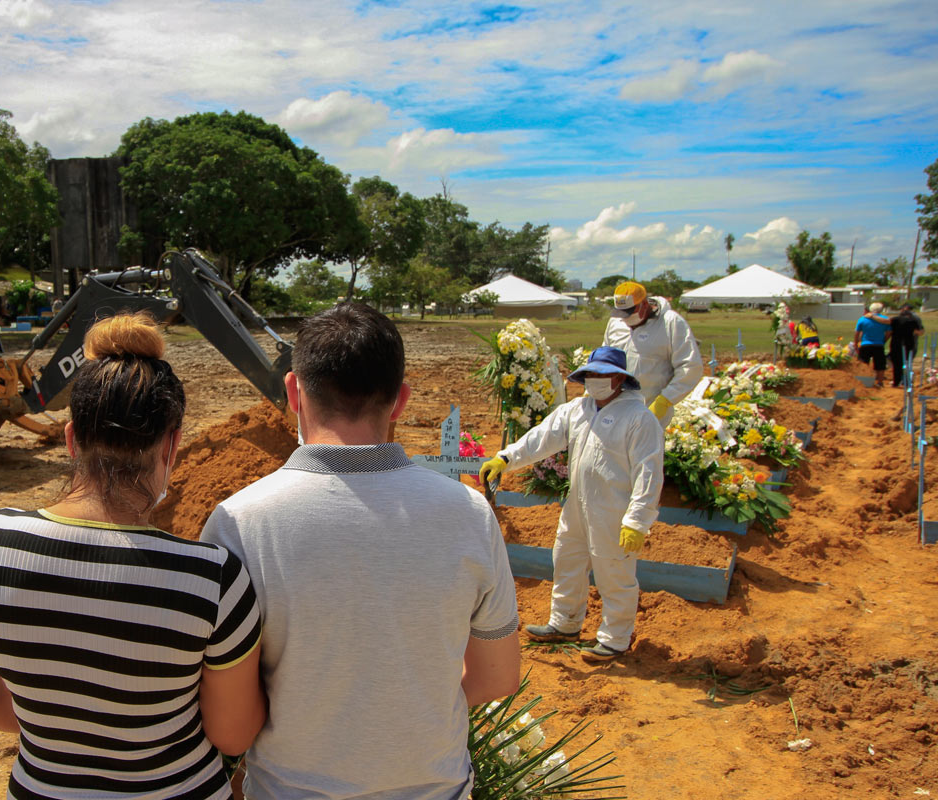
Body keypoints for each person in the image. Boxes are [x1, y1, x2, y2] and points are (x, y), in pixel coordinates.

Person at [201, 303, 520, 800]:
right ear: (400, 401)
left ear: (293, 392)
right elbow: (497, 677)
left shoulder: (238, 522)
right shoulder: (469, 514)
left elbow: (229, 713)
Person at [0, 312, 265, 800]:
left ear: (71, 439)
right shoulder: (212, 579)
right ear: (172, 446)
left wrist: (70, 729)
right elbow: (234, 736)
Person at [480, 346, 663, 664]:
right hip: (577, 505)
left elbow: (649, 472)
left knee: (613, 573)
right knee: (567, 561)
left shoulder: (639, 418)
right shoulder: (578, 410)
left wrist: (637, 520)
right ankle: (565, 622)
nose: (595, 379)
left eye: (603, 374)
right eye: (591, 374)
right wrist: (506, 458)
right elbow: (542, 437)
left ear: (620, 379)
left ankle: (615, 638)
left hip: (614, 512)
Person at [603, 280, 703, 427]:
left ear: (644, 304)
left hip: (651, 409)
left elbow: (690, 366)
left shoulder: (670, 322)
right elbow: (605, 359)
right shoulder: (615, 322)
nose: (625, 318)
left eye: (630, 312)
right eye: (621, 313)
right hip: (615, 409)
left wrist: (665, 400)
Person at [855, 302, 891, 387]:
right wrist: (883, 340)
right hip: (879, 344)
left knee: (863, 364)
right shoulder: (885, 319)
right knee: (880, 364)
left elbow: (857, 333)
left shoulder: (862, 319)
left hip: (865, 344)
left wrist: (856, 343)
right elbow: (889, 332)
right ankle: (880, 382)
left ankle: (863, 382)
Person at [889, 304, 925, 388]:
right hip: (909, 344)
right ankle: (907, 381)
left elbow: (888, 328)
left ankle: (897, 382)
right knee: (907, 363)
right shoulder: (913, 320)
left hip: (896, 344)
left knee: (897, 364)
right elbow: (920, 332)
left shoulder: (895, 319)